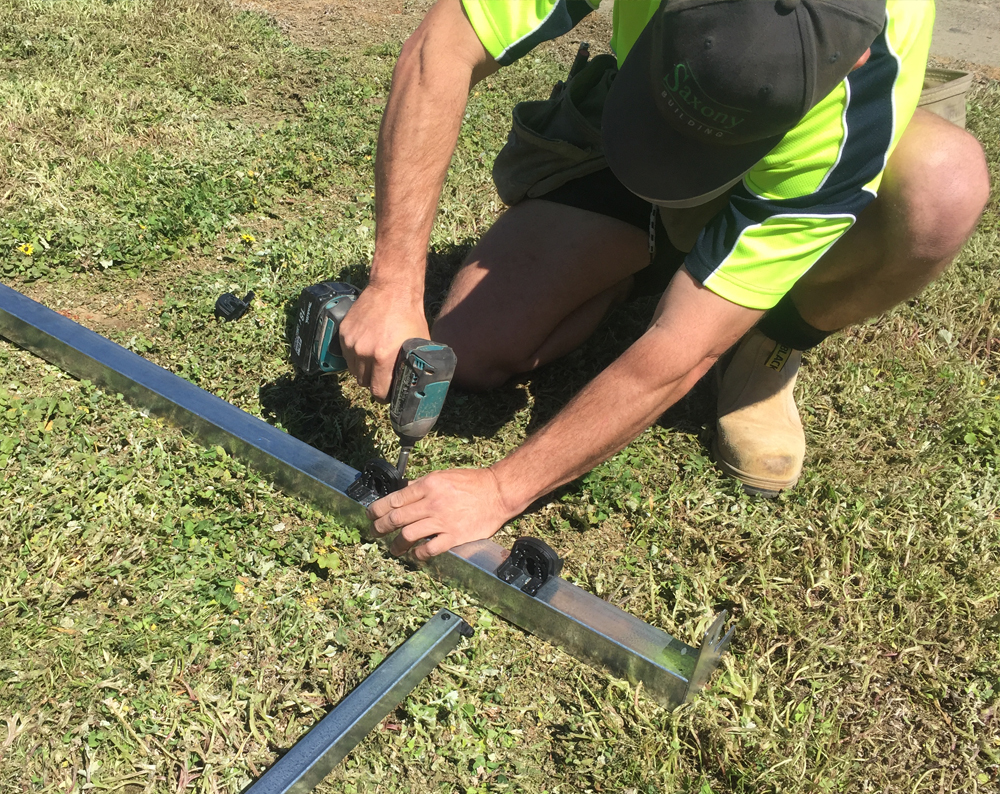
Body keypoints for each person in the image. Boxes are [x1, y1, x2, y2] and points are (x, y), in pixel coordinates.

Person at [338, 0, 990, 560]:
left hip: (794, 141)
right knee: (472, 349)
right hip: (639, 98)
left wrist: (501, 489)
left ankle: (772, 340)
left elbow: (684, 346)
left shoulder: (859, 101)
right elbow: (445, 45)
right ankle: (647, 254)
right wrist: (393, 283)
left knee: (943, 184)